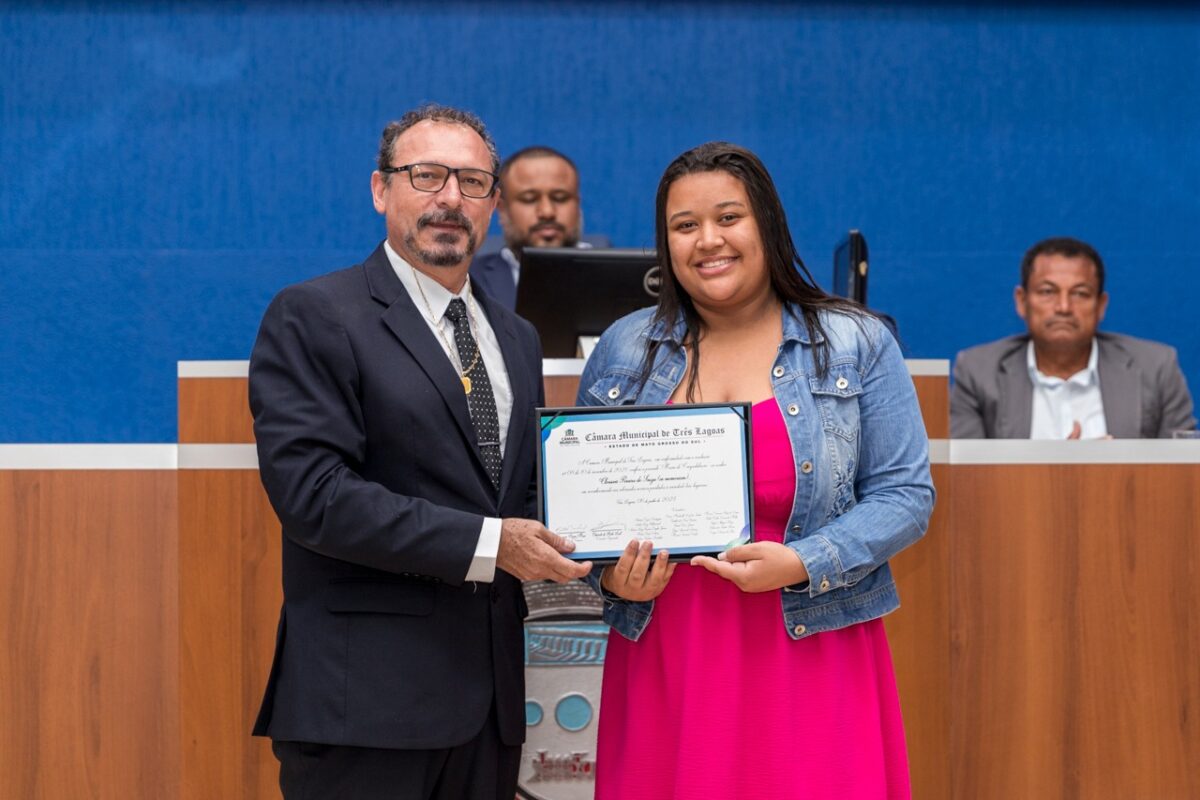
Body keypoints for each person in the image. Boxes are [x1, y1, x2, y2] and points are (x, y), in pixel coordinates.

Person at [247, 104, 591, 800]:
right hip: (366, 710)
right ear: (381, 190)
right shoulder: (316, 314)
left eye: (471, 181)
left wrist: (612, 556)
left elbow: (517, 499)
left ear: (493, 203)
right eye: (426, 175)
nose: (449, 199)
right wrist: (496, 544)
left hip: (491, 711)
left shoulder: (516, 337)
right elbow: (316, 497)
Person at [576, 142, 934, 799]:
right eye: (684, 226)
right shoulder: (624, 347)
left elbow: (906, 495)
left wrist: (803, 561)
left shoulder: (854, 341)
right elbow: (584, 510)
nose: (707, 241)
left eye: (728, 218)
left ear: (767, 225)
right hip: (666, 653)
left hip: (809, 648)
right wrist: (615, 579)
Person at [951, 237, 1196, 438]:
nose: (1064, 307)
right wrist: (1061, 471)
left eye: (1080, 293)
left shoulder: (1155, 368)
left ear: (1101, 305)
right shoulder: (979, 373)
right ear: (1022, 301)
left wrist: (1112, 473)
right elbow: (964, 478)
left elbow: (1185, 476)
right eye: (1048, 292)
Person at [469, 146, 587, 309]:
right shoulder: (468, 281)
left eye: (560, 198)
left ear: (577, 204)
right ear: (502, 209)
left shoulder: (616, 278)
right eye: (529, 199)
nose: (547, 212)